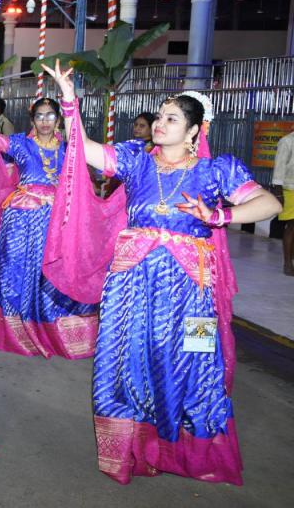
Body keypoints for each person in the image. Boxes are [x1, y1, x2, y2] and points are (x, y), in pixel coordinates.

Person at [42, 61, 280, 485]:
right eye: (159, 116)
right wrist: (69, 101)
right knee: (126, 355)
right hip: (132, 280)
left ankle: (188, 442)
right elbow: (84, 149)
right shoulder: (135, 159)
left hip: (192, 286)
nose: (159, 124)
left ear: (193, 130)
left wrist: (221, 215)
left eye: (172, 119)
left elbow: (269, 205)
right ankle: (131, 444)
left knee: (194, 357)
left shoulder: (216, 169)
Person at [0, 75, 98, 359]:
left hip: (58, 220)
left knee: (51, 272)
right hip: (22, 220)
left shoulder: (69, 148)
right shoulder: (21, 144)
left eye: (50, 116)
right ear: (32, 121)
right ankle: (16, 328)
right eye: (39, 116)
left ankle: (51, 327)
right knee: (17, 271)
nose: (45, 121)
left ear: (58, 119)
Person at [272, 127, 294, 276]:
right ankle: (287, 263)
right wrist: (279, 194)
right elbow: (279, 168)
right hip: (290, 188)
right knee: (292, 226)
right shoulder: (287, 141)